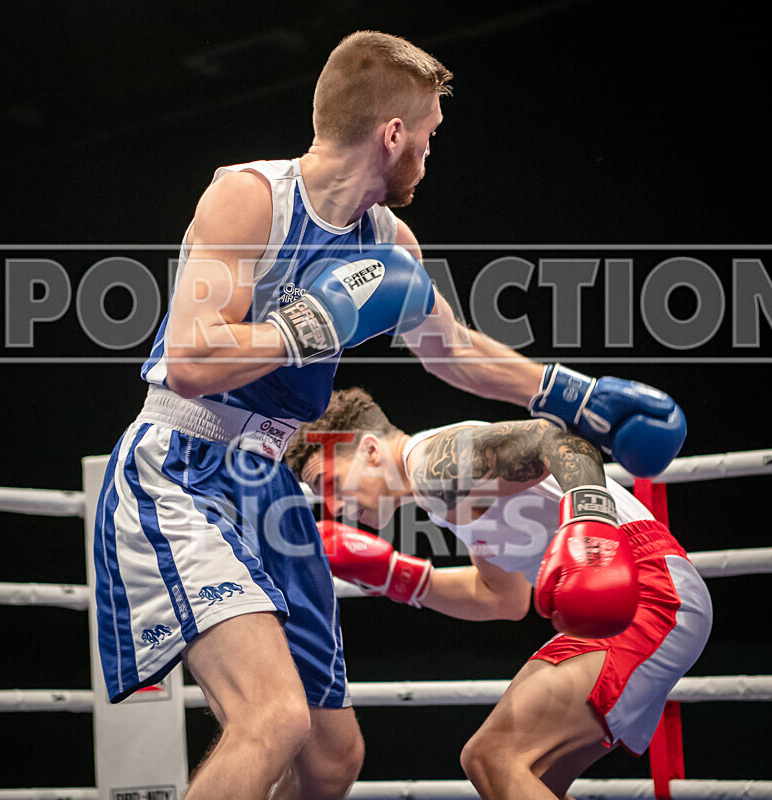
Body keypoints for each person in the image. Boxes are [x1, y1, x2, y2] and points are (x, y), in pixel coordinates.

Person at [94, 30, 687, 800]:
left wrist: (569, 392)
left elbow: (454, 352)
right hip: (184, 462)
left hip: (268, 480)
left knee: (333, 758)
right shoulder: (249, 198)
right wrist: (321, 318)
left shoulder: (389, 241)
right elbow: (192, 361)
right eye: (429, 136)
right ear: (393, 133)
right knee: (272, 719)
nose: (431, 156)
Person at [286, 387, 713, 800]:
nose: (334, 506)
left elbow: (557, 441)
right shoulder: (441, 496)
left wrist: (589, 527)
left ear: (370, 451)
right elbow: (501, 598)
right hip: (636, 593)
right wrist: (394, 575)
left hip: (648, 586)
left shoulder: (432, 463)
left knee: (493, 758)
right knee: (531, 780)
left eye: (327, 481)